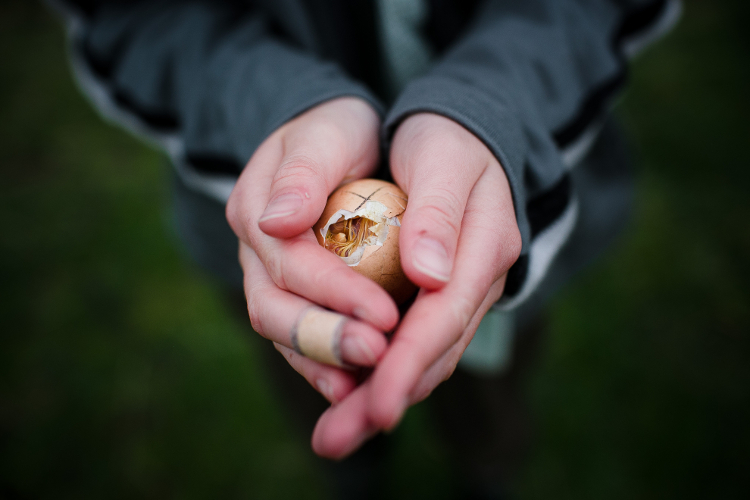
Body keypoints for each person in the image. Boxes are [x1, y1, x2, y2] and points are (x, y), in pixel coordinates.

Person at [49, 0, 681, 493]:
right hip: (270, 232)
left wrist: (491, 111)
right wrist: (277, 106)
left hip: (504, 212)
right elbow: (137, 15)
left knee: (489, 380)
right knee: (310, 369)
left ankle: (487, 469)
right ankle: (354, 474)